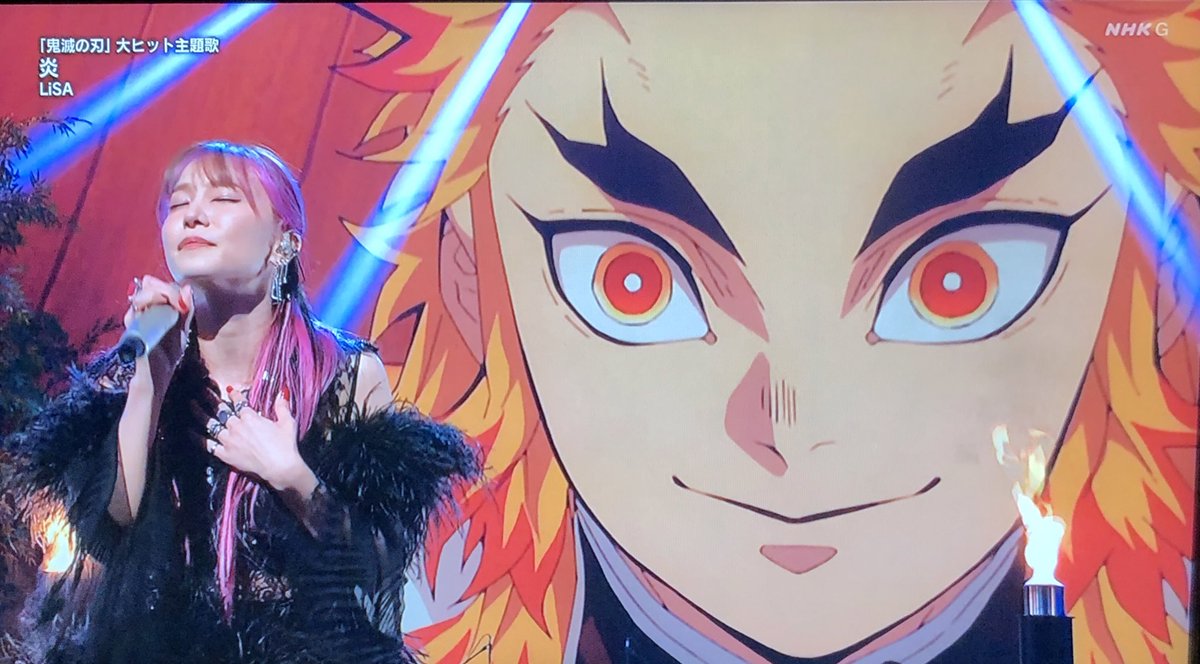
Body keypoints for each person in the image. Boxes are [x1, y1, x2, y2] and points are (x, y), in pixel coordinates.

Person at [337, 3, 1198, 663]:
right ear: (470, 271)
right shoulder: (434, 610)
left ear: (1157, 270)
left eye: (959, 282)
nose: (795, 428)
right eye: (630, 282)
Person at [4, 141, 482, 663]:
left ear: (284, 242)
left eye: (224, 199)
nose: (194, 216)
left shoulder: (344, 375)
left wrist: (294, 478)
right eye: (179, 204)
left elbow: (380, 564)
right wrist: (150, 384)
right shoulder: (133, 369)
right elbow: (108, 526)